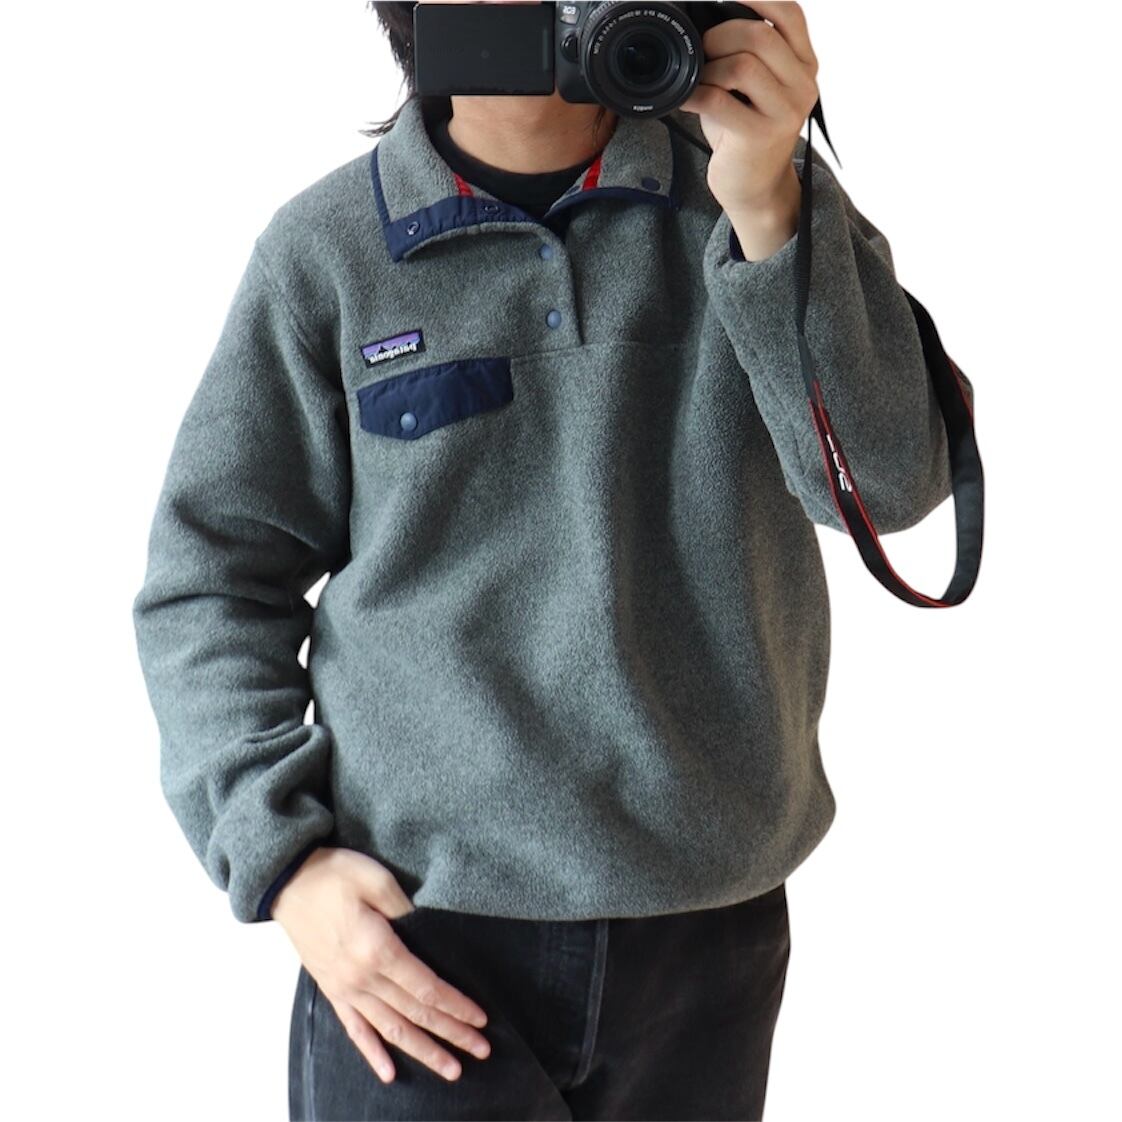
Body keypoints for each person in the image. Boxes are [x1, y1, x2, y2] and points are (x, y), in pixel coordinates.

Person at [132, 2, 972, 1119]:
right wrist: (284, 865)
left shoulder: (751, 199)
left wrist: (770, 203)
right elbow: (210, 580)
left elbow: (889, 487)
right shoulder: (327, 251)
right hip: (420, 931)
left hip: (709, 923)